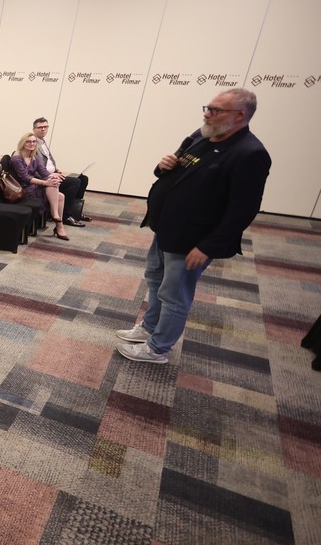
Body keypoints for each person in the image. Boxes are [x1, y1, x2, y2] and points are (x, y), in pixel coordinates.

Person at [116, 89, 271, 364]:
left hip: (193, 239)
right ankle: (150, 328)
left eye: (215, 110)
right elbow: (172, 169)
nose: (206, 114)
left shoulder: (250, 154)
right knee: (155, 281)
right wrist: (162, 166)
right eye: (207, 107)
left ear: (239, 115)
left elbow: (243, 210)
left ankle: (157, 348)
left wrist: (208, 246)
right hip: (166, 227)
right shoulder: (202, 135)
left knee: (175, 295)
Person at [32, 117, 90, 226]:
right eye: (40, 127)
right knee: (75, 182)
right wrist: (51, 174)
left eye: (45, 127)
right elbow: (35, 168)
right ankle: (66, 216)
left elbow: (48, 160)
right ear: (34, 129)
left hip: (52, 172)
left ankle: (74, 211)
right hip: (44, 177)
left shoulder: (43, 141)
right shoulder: (33, 143)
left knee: (83, 178)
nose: (43, 129)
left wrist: (57, 169)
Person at [11, 132, 68, 240]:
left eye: (33, 141)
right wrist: (45, 183)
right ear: (23, 143)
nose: (32, 144)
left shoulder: (34, 157)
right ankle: (57, 221)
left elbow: (44, 173)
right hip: (21, 189)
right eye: (28, 141)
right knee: (54, 189)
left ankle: (58, 223)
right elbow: (25, 178)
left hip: (33, 186)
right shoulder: (17, 158)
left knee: (60, 194)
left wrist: (53, 177)